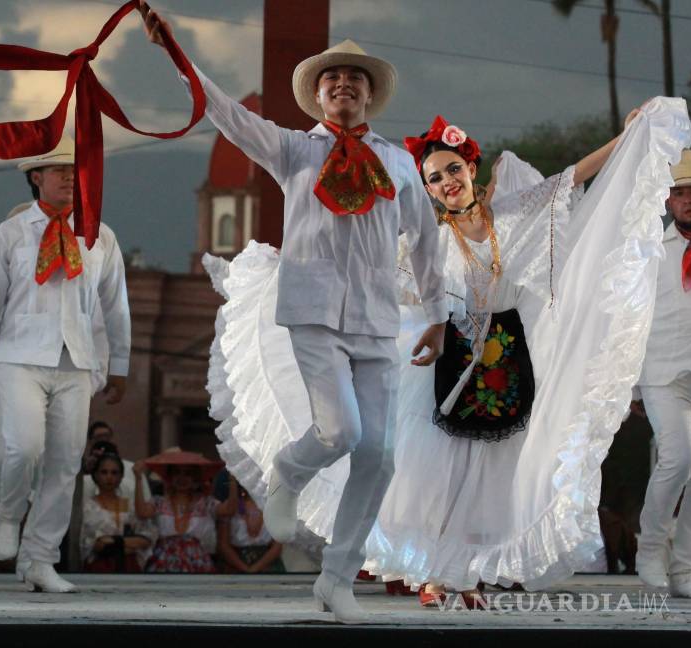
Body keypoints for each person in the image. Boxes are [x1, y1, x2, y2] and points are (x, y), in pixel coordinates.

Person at [204, 101, 691, 609]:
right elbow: (372, 272)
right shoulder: (429, 243)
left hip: (506, 361)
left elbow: (572, 179)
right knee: (437, 474)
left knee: (488, 476)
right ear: (427, 189)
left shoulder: (515, 215)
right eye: (434, 178)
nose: (446, 183)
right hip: (448, 363)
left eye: (452, 170)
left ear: (471, 167)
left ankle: (466, 576)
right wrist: (298, 267)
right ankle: (434, 574)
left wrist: (627, 136)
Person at [142, 5, 447, 622]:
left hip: (376, 317)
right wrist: (177, 55)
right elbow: (224, 113)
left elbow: (424, 239)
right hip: (312, 310)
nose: (343, 86)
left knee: (380, 455)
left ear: (369, 95)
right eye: (332, 79)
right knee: (341, 432)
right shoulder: (292, 151)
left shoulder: (397, 163)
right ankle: (286, 469)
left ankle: (337, 577)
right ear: (317, 94)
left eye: (354, 80)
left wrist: (437, 313)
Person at [0, 138, 131, 593]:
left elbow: (115, 304)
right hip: (18, 355)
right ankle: (6, 515)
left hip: (75, 359)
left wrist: (118, 362)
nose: (66, 177)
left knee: (64, 464)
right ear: (36, 177)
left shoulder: (100, 234)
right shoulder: (12, 233)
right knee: (22, 449)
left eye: (73, 170)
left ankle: (40, 557)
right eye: (56, 170)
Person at [637, 149, 691, 599]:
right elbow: (631, 318)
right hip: (663, 373)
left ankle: (686, 568)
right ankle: (650, 548)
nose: (688, 199)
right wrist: (631, 383)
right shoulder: (650, 250)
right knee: (679, 459)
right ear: (668, 201)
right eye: (679, 192)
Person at [133, 450, 234, 573]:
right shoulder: (159, 502)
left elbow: (229, 510)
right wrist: (138, 479)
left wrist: (233, 480)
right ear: (170, 477)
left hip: (198, 564)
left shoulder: (207, 503)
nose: (182, 478)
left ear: (195, 478)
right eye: (177, 473)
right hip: (163, 564)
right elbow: (142, 512)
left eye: (188, 473)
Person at [80, 452, 155, 572]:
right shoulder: (87, 507)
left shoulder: (130, 505)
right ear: (96, 475)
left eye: (114, 473)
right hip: (99, 568)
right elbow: (96, 546)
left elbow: (145, 540)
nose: (109, 477)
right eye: (104, 472)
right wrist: (129, 544)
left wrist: (113, 542)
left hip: (130, 567)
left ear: (121, 476)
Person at [218, 478, 283, 574]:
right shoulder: (230, 506)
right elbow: (223, 545)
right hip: (236, 567)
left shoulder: (274, 507)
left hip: (268, 567)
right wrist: (245, 569)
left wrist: (255, 569)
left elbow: (277, 547)